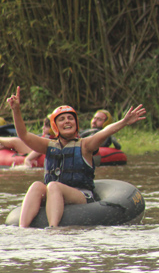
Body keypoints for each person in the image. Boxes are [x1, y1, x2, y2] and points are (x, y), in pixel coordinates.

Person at [6, 86, 146, 227]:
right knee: (36, 186)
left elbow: (104, 132)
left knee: (54, 186)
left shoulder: (85, 145)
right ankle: (22, 230)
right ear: (56, 126)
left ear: (76, 123)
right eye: (61, 119)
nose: (67, 121)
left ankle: (53, 229)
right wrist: (16, 110)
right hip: (54, 192)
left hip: (81, 195)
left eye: (70, 118)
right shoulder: (48, 145)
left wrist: (124, 122)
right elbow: (23, 135)